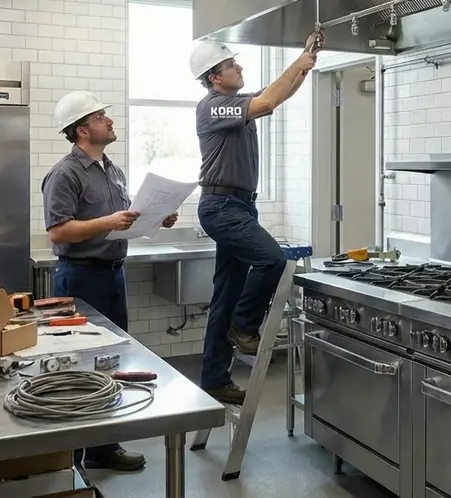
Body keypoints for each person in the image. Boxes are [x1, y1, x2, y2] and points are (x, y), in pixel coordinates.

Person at [40, 90, 177, 472]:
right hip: (80, 279)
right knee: (80, 366)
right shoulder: (64, 174)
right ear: (82, 129)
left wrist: (156, 216)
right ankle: (71, 458)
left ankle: (102, 448)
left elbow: (124, 216)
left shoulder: (112, 169)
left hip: (113, 276)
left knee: (110, 362)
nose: (110, 121)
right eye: (102, 116)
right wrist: (107, 223)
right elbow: (58, 232)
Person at [190, 31, 323, 405]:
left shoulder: (236, 103)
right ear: (215, 77)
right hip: (222, 206)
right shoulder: (213, 106)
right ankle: (244, 326)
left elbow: (275, 97)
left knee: (226, 294)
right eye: (233, 64)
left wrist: (305, 61)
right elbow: (266, 103)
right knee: (273, 260)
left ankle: (215, 378)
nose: (240, 67)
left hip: (240, 205)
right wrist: (297, 63)